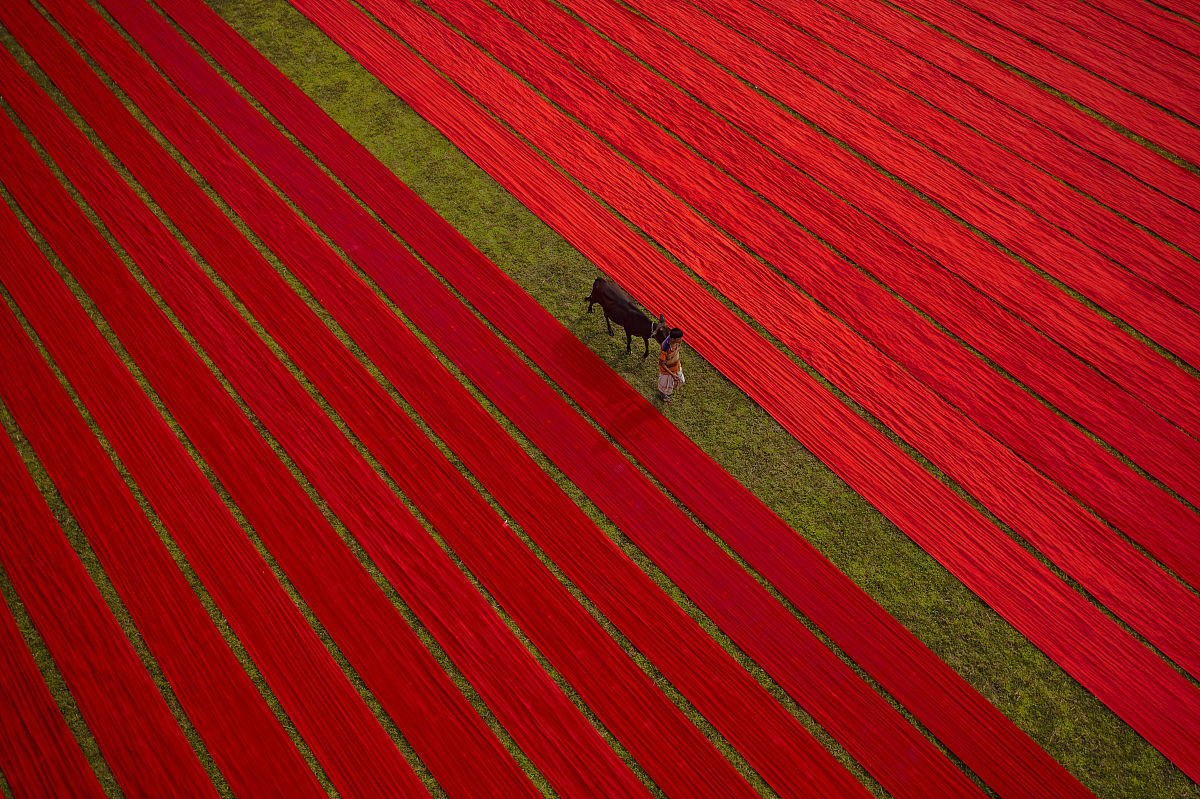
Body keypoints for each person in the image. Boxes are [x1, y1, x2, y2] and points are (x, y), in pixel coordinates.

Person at [656, 328, 685, 402]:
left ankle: (666, 393)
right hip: (668, 370)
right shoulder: (665, 348)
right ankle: (661, 395)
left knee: (681, 380)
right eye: (679, 339)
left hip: (676, 366)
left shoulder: (676, 342)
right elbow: (662, 364)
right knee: (664, 386)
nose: (681, 340)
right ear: (673, 339)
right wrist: (672, 374)